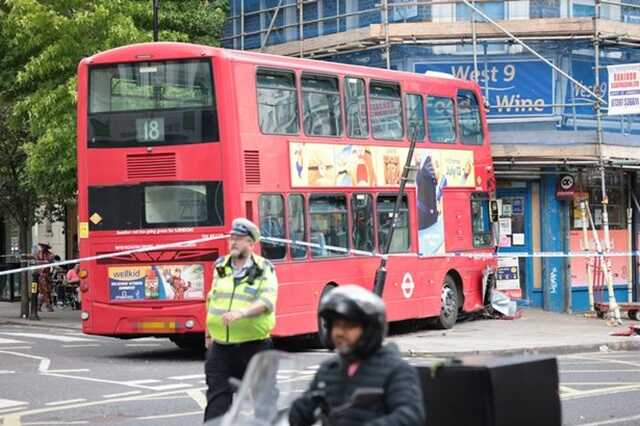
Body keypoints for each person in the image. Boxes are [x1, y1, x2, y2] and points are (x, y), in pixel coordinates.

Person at [289, 285, 425, 426]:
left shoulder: (396, 370)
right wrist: (298, 411)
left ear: (369, 330)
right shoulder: (329, 370)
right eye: (336, 325)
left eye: (348, 326)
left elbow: (410, 415)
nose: (339, 333)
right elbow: (303, 411)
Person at [203, 218, 279, 422]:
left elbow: (267, 301)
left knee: (264, 401)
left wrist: (241, 313)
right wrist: (208, 333)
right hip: (221, 348)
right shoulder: (221, 266)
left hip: (254, 347)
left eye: (239, 239)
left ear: (250, 243)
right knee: (217, 400)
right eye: (231, 239)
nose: (233, 243)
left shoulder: (264, 268)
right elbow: (213, 298)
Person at [34, 243, 55, 312]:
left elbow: (51, 262)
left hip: (47, 274)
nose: (42, 248)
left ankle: (39, 306)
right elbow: (36, 261)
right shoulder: (38, 253)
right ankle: (48, 306)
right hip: (40, 274)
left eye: (44, 247)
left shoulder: (50, 254)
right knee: (44, 290)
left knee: (47, 290)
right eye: (42, 247)